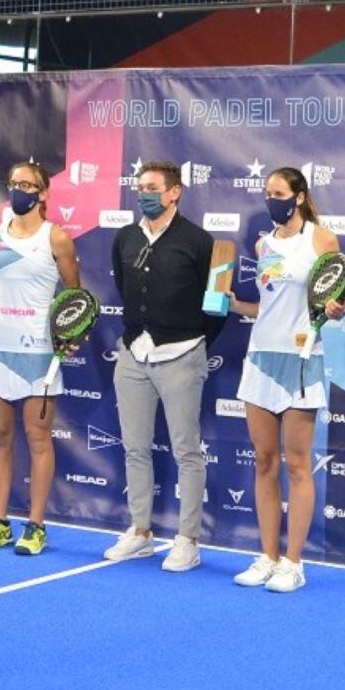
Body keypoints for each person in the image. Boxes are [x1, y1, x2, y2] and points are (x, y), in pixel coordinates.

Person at [226, 166, 345, 593]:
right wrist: (232, 303)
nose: (270, 199)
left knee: (297, 465)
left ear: (298, 197)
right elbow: (267, 308)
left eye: (278, 192)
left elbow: (337, 301)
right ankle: (267, 556)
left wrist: (336, 311)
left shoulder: (320, 239)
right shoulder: (263, 244)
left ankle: (293, 562)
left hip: (301, 359)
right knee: (264, 463)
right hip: (260, 358)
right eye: (266, 192)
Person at [103, 160, 222, 571]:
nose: (144, 194)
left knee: (186, 451)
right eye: (140, 188)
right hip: (134, 353)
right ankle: (140, 531)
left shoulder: (199, 242)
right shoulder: (125, 238)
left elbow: (216, 306)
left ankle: (188, 540)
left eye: (152, 187)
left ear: (175, 192)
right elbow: (124, 286)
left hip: (182, 356)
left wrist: (190, 342)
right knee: (135, 448)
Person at [0, 161, 80, 555]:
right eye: (13, 184)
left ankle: (36, 526)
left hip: (37, 351)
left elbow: (74, 296)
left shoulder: (58, 239)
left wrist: (69, 333)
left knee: (38, 439)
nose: (18, 190)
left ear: (43, 193)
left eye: (27, 185)